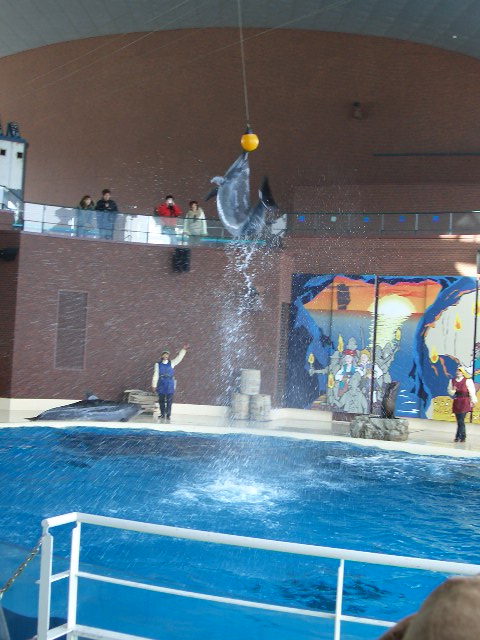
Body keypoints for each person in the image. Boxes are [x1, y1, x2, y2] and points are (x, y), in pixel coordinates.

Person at [152, 345, 188, 421]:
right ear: (162, 355)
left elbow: (179, 358)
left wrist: (183, 350)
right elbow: (156, 374)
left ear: (168, 355)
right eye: (164, 354)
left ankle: (168, 414)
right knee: (161, 400)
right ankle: (162, 414)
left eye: (167, 354)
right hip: (161, 383)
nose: (165, 356)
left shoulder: (172, 363)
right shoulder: (158, 364)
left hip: (169, 383)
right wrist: (154, 385)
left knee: (169, 400)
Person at [447, 366, 477, 442]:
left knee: (461, 419)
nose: (458, 373)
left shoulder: (467, 381)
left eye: (460, 371)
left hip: (465, 401)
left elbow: (471, 391)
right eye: (457, 371)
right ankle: (460, 436)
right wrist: (453, 390)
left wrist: (473, 401)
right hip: (457, 401)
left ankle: (460, 436)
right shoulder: (452, 381)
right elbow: (450, 392)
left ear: (463, 373)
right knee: (459, 420)